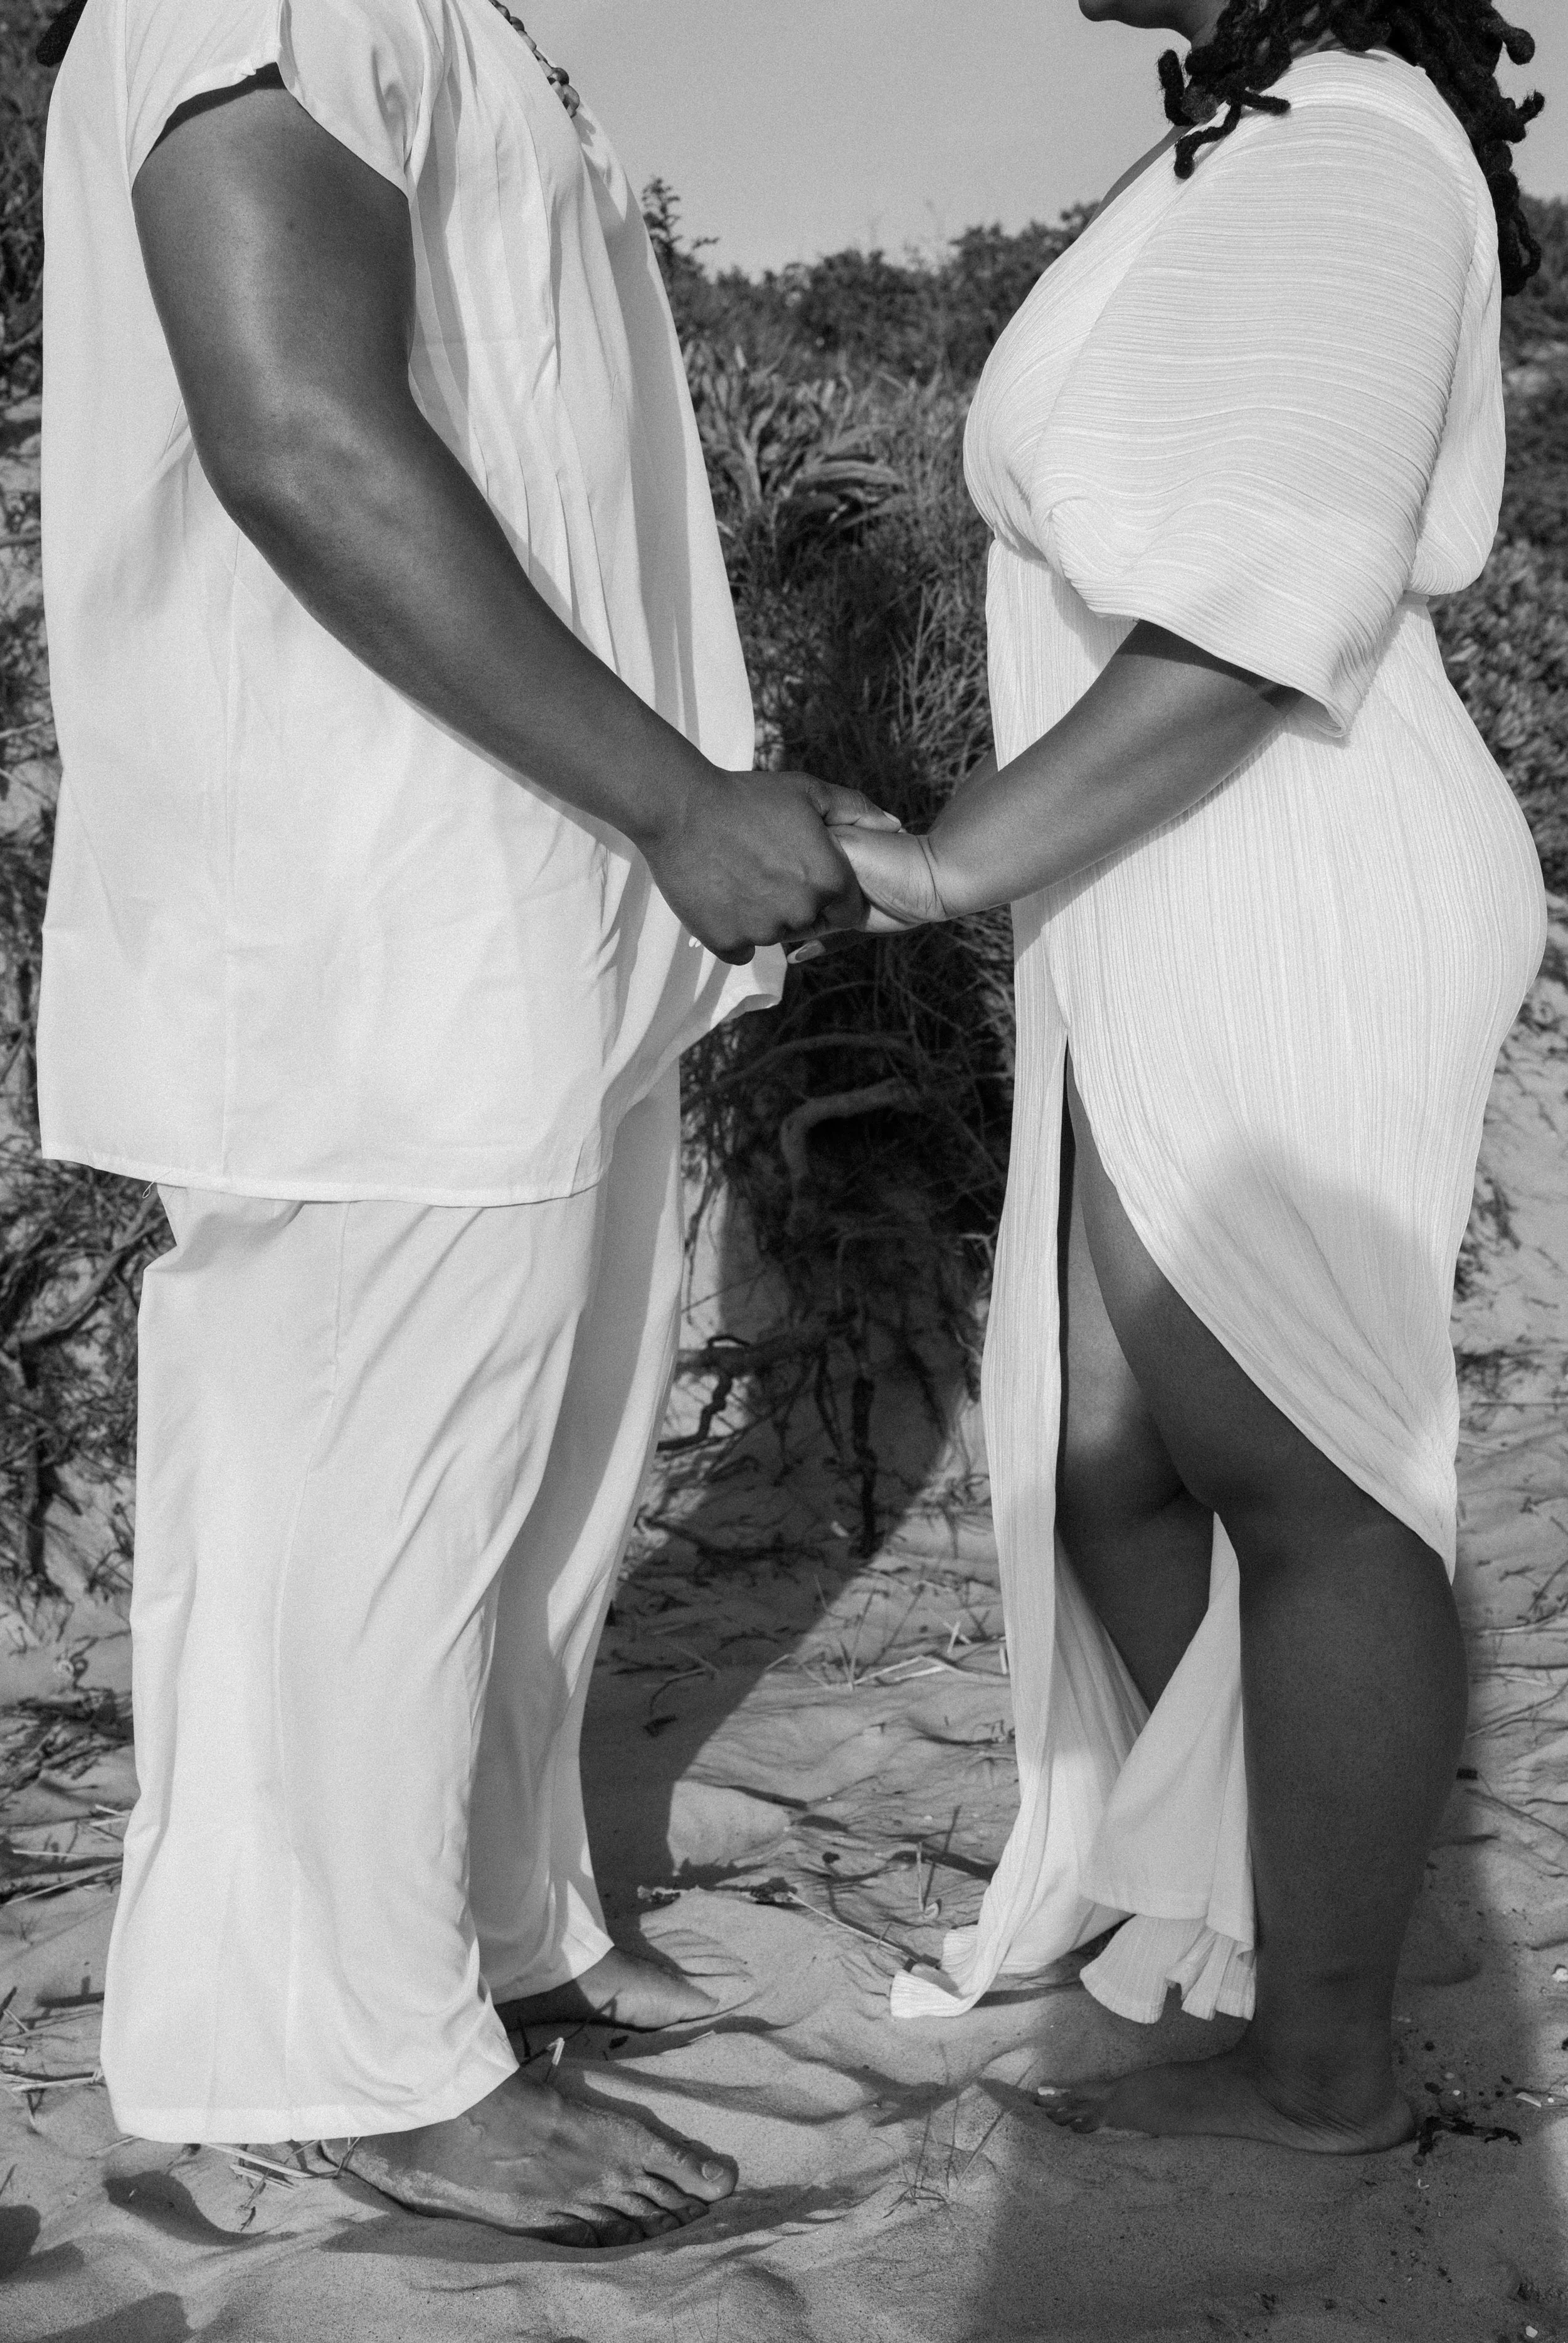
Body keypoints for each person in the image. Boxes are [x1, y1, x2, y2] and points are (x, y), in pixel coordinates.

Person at [35, 0, 891, 2241]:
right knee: (368, 1486)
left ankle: (486, 1937)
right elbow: (298, 434)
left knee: (534, 1469)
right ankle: (329, 2050)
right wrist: (674, 795)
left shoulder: (461, 17)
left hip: (528, 888)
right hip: (359, 895)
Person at [834, 0, 1548, 2152]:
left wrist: (955, 853)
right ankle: (1224, 1932)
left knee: (1299, 1480)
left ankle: (1317, 2061)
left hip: (1288, 867)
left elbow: (1253, 598)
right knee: (1112, 1459)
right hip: (1174, 872)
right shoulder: (1254, 142)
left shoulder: (1345, 145)